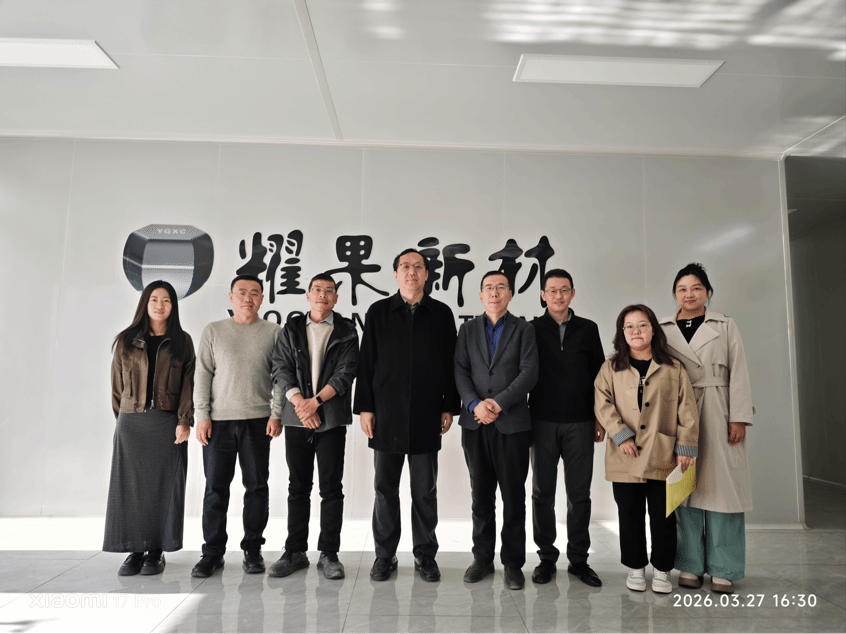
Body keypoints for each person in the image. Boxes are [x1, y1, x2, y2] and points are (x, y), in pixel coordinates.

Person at [354, 248, 461, 582]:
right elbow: (366, 362)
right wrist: (366, 407)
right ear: (396, 274)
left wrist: (449, 405)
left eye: (418, 266)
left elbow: (451, 363)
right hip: (385, 414)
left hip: (427, 414)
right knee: (384, 488)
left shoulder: (441, 313)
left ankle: (424, 555)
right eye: (405, 266)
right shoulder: (379, 312)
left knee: (424, 491)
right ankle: (384, 556)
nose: (411, 271)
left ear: (427, 274)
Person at [659, 263, 754, 594]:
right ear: (675, 294)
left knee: (723, 490)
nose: (689, 294)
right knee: (683, 486)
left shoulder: (725, 325)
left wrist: (738, 416)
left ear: (707, 292)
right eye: (682, 289)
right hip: (678, 413)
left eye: (696, 288)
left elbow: (739, 370)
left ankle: (724, 568)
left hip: (718, 408)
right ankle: (689, 564)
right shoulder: (662, 328)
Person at [595, 304, 698, 594]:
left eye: (642, 325)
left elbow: (687, 408)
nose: (636, 331)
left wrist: (686, 446)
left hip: (663, 453)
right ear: (622, 333)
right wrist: (621, 435)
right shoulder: (611, 367)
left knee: (663, 516)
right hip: (624, 454)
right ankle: (635, 567)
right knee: (629, 514)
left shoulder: (673, 367)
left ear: (653, 330)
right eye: (629, 326)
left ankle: (663, 570)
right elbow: (602, 403)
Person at [191, 275, 283, 578]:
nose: (248, 298)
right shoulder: (214, 330)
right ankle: (212, 552)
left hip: (258, 421)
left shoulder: (273, 332)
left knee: (256, 487)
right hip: (218, 422)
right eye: (242, 292)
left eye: (255, 293)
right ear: (231, 297)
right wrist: (202, 415)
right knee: (215, 489)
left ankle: (253, 549)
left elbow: (281, 377)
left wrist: (276, 414)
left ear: (262, 299)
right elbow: (202, 374)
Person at [268, 273, 359, 580]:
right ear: (308, 295)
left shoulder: (347, 330)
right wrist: (301, 404)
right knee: (298, 486)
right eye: (317, 289)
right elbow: (280, 367)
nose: (323, 295)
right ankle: (295, 551)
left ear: (336, 298)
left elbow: (346, 373)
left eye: (329, 291)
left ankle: (329, 554)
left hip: (331, 419)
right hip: (297, 418)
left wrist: (315, 402)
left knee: (331, 488)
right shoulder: (292, 328)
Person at [454, 271, 539, 590]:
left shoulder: (524, 329)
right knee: (481, 496)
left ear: (510, 294)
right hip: (475, 423)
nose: (494, 292)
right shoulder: (467, 329)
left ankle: (513, 564)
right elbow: (460, 370)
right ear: (480, 295)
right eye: (488, 287)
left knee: (514, 496)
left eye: (500, 287)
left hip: (512, 424)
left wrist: (498, 403)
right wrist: (475, 404)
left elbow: (529, 372)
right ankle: (482, 559)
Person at [104, 280, 195, 576]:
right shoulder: (126, 340)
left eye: (166, 300)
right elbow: (117, 387)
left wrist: (184, 420)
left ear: (173, 306)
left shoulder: (182, 341)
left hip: (167, 424)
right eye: (154, 299)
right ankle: (135, 549)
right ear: (145, 303)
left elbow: (188, 387)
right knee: (131, 489)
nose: (159, 305)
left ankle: (156, 550)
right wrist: (125, 419)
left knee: (163, 488)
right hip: (132, 425)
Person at [529, 269, 605, 587]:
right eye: (552, 290)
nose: (558, 296)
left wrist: (600, 417)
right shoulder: (531, 329)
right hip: (541, 422)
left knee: (579, 494)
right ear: (543, 295)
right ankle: (546, 558)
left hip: (581, 422)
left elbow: (601, 377)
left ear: (573, 293)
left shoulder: (588, 329)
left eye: (564, 290)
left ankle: (579, 560)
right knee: (542, 493)